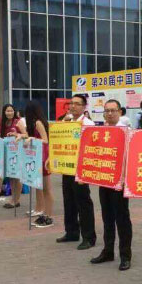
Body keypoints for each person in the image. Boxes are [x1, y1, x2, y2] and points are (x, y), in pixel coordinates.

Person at [90, 99, 132, 271]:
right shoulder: (101, 131)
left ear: (120, 112)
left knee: (122, 219)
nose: (109, 113)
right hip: (104, 180)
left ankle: (125, 255)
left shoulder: (127, 132)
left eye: (113, 110)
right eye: (106, 110)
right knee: (107, 217)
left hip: (119, 182)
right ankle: (108, 251)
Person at [56, 94, 97, 250]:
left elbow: (92, 146)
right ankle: (71, 232)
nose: (73, 106)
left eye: (77, 104)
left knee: (83, 202)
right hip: (67, 166)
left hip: (81, 167)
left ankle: (89, 237)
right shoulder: (66, 121)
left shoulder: (88, 124)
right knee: (68, 200)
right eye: (71, 103)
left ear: (84, 107)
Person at [19, 101, 55, 228]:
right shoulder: (34, 123)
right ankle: (44, 213)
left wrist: (32, 138)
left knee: (47, 189)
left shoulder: (38, 123)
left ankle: (48, 216)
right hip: (37, 156)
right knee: (42, 188)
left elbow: (45, 140)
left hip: (43, 157)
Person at [1, 104, 23, 209]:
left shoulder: (18, 122)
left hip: (17, 153)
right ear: (4, 112)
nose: (9, 113)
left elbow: (25, 134)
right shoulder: (4, 123)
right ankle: (13, 198)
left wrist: (16, 135)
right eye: (7, 111)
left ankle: (16, 200)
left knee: (17, 177)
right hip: (8, 152)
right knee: (11, 176)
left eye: (11, 111)